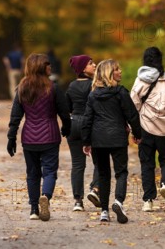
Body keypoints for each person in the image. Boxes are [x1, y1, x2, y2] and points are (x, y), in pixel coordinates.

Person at [7, 53, 71, 221]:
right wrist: (66, 126)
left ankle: (34, 209)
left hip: (29, 138)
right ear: (41, 67)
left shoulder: (22, 87)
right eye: (47, 64)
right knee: (49, 171)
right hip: (50, 135)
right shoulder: (53, 87)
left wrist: (11, 138)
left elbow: (15, 116)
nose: (50, 67)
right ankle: (46, 197)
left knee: (32, 173)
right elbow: (64, 112)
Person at [81, 59, 142, 223]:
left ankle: (104, 212)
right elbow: (132, 115)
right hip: (118, 138)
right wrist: (137, 133)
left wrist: (86, 142)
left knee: (103, 174)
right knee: (121, 172)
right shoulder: (121, 92)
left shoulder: (93, 95)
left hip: (98, 139)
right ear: (109, 73)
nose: (120, 71)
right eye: (117, 69)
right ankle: (118, 202)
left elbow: (87, 120)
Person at [130, 46, 165, 212]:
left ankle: (148, 200)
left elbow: (133, 106)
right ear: (160, 60)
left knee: (147, 163)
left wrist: (134, 129)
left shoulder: (140, 80)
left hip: (146, 128)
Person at [65, 54, 100, 212]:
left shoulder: (71, 86)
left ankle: (78, 201)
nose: (95, 65)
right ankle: (95, 189)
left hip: (73, 124)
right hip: (90, 124)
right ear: (83, 69)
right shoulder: (95, 85)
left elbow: (67, 107)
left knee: (77, 164)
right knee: (100, 160)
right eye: (91, 64)